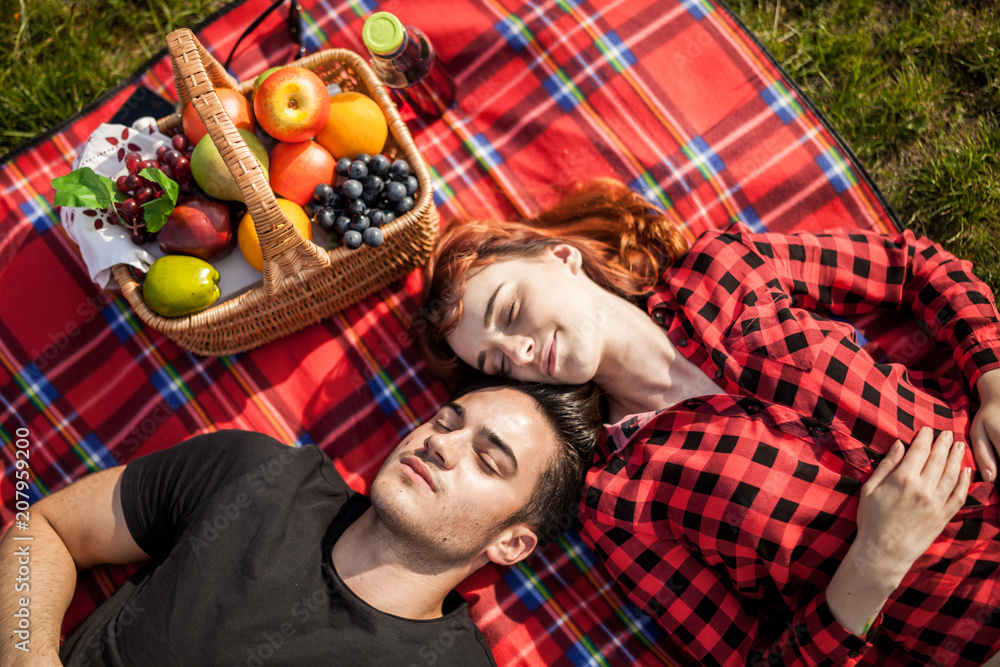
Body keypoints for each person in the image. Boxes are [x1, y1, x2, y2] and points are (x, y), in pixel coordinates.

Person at [414, 178, 1000, 666]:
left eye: (509, 312)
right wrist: (875, 563)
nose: (517, 353)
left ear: (560, 258)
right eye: (495, 363)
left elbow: (911, 267)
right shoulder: (619, 502)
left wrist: (992, 377)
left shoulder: (726, 269)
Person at [0, 379, 602, 666]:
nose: (441, 445)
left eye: (489, 460)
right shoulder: (256, 473)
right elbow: (45, 529)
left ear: (511, 543)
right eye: (446, 422)